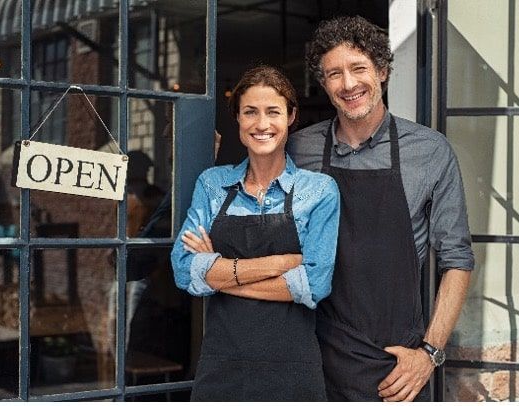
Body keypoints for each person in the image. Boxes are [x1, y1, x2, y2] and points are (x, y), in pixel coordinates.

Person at [287, 15, 474, 402]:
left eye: (359, 68)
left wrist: (429, 353)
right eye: (334, 73)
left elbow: (457, 259)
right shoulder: (297, 149)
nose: (349, 84)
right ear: (324, 84)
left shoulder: (429, 151)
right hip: (311, 356)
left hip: (397, 368)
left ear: (383, 71)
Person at [171, 65, 340, 401]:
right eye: (250, 112)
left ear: (291, 116)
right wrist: (280, 263)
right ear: (237, 119)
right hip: (223, 366)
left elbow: (315, 284)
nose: (262, 124)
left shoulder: (319, 191)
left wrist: (220, 274)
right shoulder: (213, 184)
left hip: (293, 369)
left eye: (273, 112)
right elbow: (182, 269)